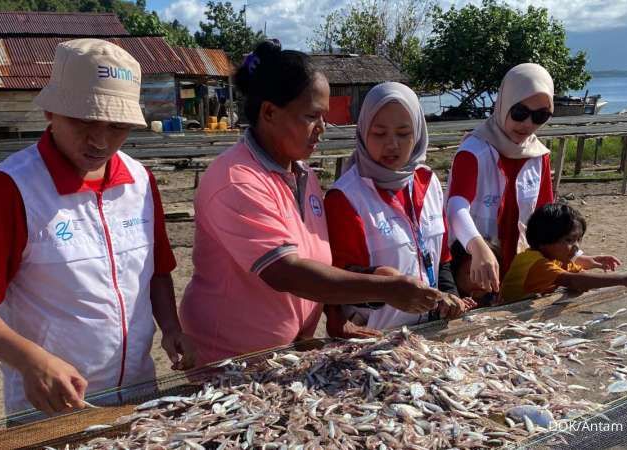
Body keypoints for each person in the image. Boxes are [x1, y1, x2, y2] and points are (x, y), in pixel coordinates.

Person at [0, 39, 193, 416]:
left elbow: (157, 271)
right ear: (51, 111)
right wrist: (30, 360)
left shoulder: (139, 181)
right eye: (84, 120)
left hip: (139, 394)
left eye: (117, 126)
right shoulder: (9, 189)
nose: (100, 141)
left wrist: (171, 326)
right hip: (51, 404)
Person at [179, 40, 444, 366]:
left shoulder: (303, 175)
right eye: (312, 116)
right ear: (270, 112)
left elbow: (315, 259)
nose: (322, 128)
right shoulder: (237, 180)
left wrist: (350, 297)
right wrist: (385, 289)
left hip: (286, 354)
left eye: (324, 116)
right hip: (232, 359)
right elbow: (287, 272)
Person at [323, 82, 475, 335]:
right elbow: (337, 277)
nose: (392, 144)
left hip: (431, 332)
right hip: (375, 338)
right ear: (363, 132)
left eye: (404, 133)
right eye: (379, 133)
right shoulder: (345, 197)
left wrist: (448, 297)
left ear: (418, 133)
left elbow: (442, 259)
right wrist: (383, 282)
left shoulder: (428, 182)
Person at [446, 63, 555, 295]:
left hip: (518, 265)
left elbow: (546, 218)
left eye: (540, 116)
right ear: (504, 104)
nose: (527, 124)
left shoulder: (539, 155)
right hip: (473, 266)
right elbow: (456, 206)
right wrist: (477, 246)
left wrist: (575, 254)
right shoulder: (474, 151)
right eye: (519, 112)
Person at [500, 203, 627, 303]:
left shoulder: (559, 259)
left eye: (578, 240)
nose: (576, 247)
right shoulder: (535, 262)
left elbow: (581, 276)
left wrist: (588, 273)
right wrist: (623, 279)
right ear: (544, 239)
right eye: (569, 240)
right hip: (506, 315)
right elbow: (573, 281)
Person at [450, 240, 501, 308]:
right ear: (455, 272)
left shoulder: (497, 298)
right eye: (472, 273)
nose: (481, 282)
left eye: (488, 273)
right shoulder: (445, 303)